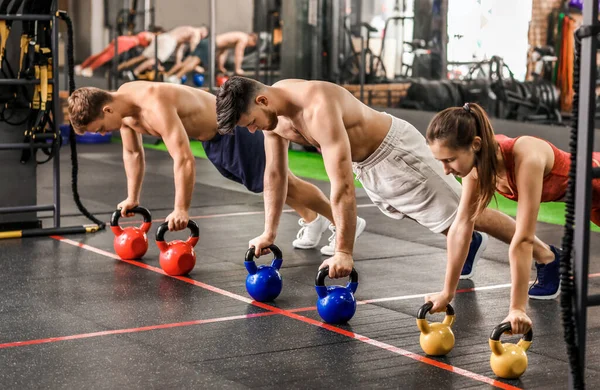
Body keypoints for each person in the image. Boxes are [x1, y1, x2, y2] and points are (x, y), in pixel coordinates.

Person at [66, 82, 365, 253]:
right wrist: (133, 197)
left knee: (279, 181)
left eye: (100, 127)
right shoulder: (124, 115)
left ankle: (340, 220)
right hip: (213, 142)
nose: (103, 132)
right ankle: (313, 218)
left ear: (106, 109)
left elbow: (182, 158)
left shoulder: (153, 103)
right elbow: (132, 154)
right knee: (265, 184)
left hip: (231, 130)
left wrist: (181, 208)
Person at [424, 102, 596, 334]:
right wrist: (447, 292)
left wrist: (517, 308)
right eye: (441, 161)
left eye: (449, 160)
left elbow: (524, 239)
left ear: (475, 145)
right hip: (586, 199)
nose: (446, 170)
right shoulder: (475, 167)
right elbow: (461, 225)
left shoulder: (526, 156)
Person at [165, 31, 258, 83]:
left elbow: (222, 52)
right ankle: (176, 78)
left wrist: (220, 67)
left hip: (206, 42)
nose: (248, 46)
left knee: (187, 62)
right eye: (251, 45)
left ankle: (168, 76)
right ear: (252, 40)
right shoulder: (244, 38)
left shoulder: (236, 36)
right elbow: (239, 53)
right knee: (193, 64)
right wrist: (238, 69)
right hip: (210, 45)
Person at [118, 25, 209, 77]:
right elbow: (195, 51)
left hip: (162, 37)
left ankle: (119, 68)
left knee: (142, 57)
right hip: (169, 41)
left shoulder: (187, 29)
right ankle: (134, 72)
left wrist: (178, 62)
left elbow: (179, 49)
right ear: (204, 32)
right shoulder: (196, 33)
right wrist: (195, 65)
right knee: (156, 59)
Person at [75, 30, 158, 77]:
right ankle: (89, 69)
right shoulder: (152, 36)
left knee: (101, 54)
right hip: (127, 43)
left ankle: (82, 67)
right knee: (106, 56)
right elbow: (147, 40)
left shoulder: (147, 33)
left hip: (123, 39)